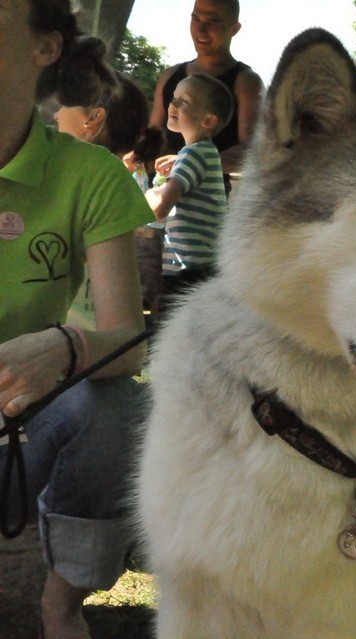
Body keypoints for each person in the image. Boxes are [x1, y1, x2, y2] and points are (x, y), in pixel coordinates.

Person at [0, 3, 152, 637]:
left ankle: (60, 606)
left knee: (116, 409)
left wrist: (64, 346)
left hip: (17, 429)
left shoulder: (88, 173)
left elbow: (129, 345)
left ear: (45, 48)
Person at [46, 48, 164, 327]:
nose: (55, 116)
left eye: (64, 106)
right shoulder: (118, 180)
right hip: (95, 342)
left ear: (93, 118)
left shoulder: (83, 181)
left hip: (73, 344)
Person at [148, 0, 264, 183]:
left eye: (212, 22)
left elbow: (253, 151)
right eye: (195, 19)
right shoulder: (170, 76)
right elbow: (152, 136)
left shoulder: (245, 82)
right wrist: (138, 156)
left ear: (234, 29)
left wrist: (191, 163)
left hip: (209, 201)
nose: (200, 30)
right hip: (160, 190)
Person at [146, 73, 233, 315]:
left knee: (161, 333)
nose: (172, 105)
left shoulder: (192, 155)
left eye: (183, 101)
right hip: (204, 267)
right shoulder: (206, 153)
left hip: (186, 269)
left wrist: (147, 193)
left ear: (207, 120)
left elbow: (159, 208)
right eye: (173, 99)